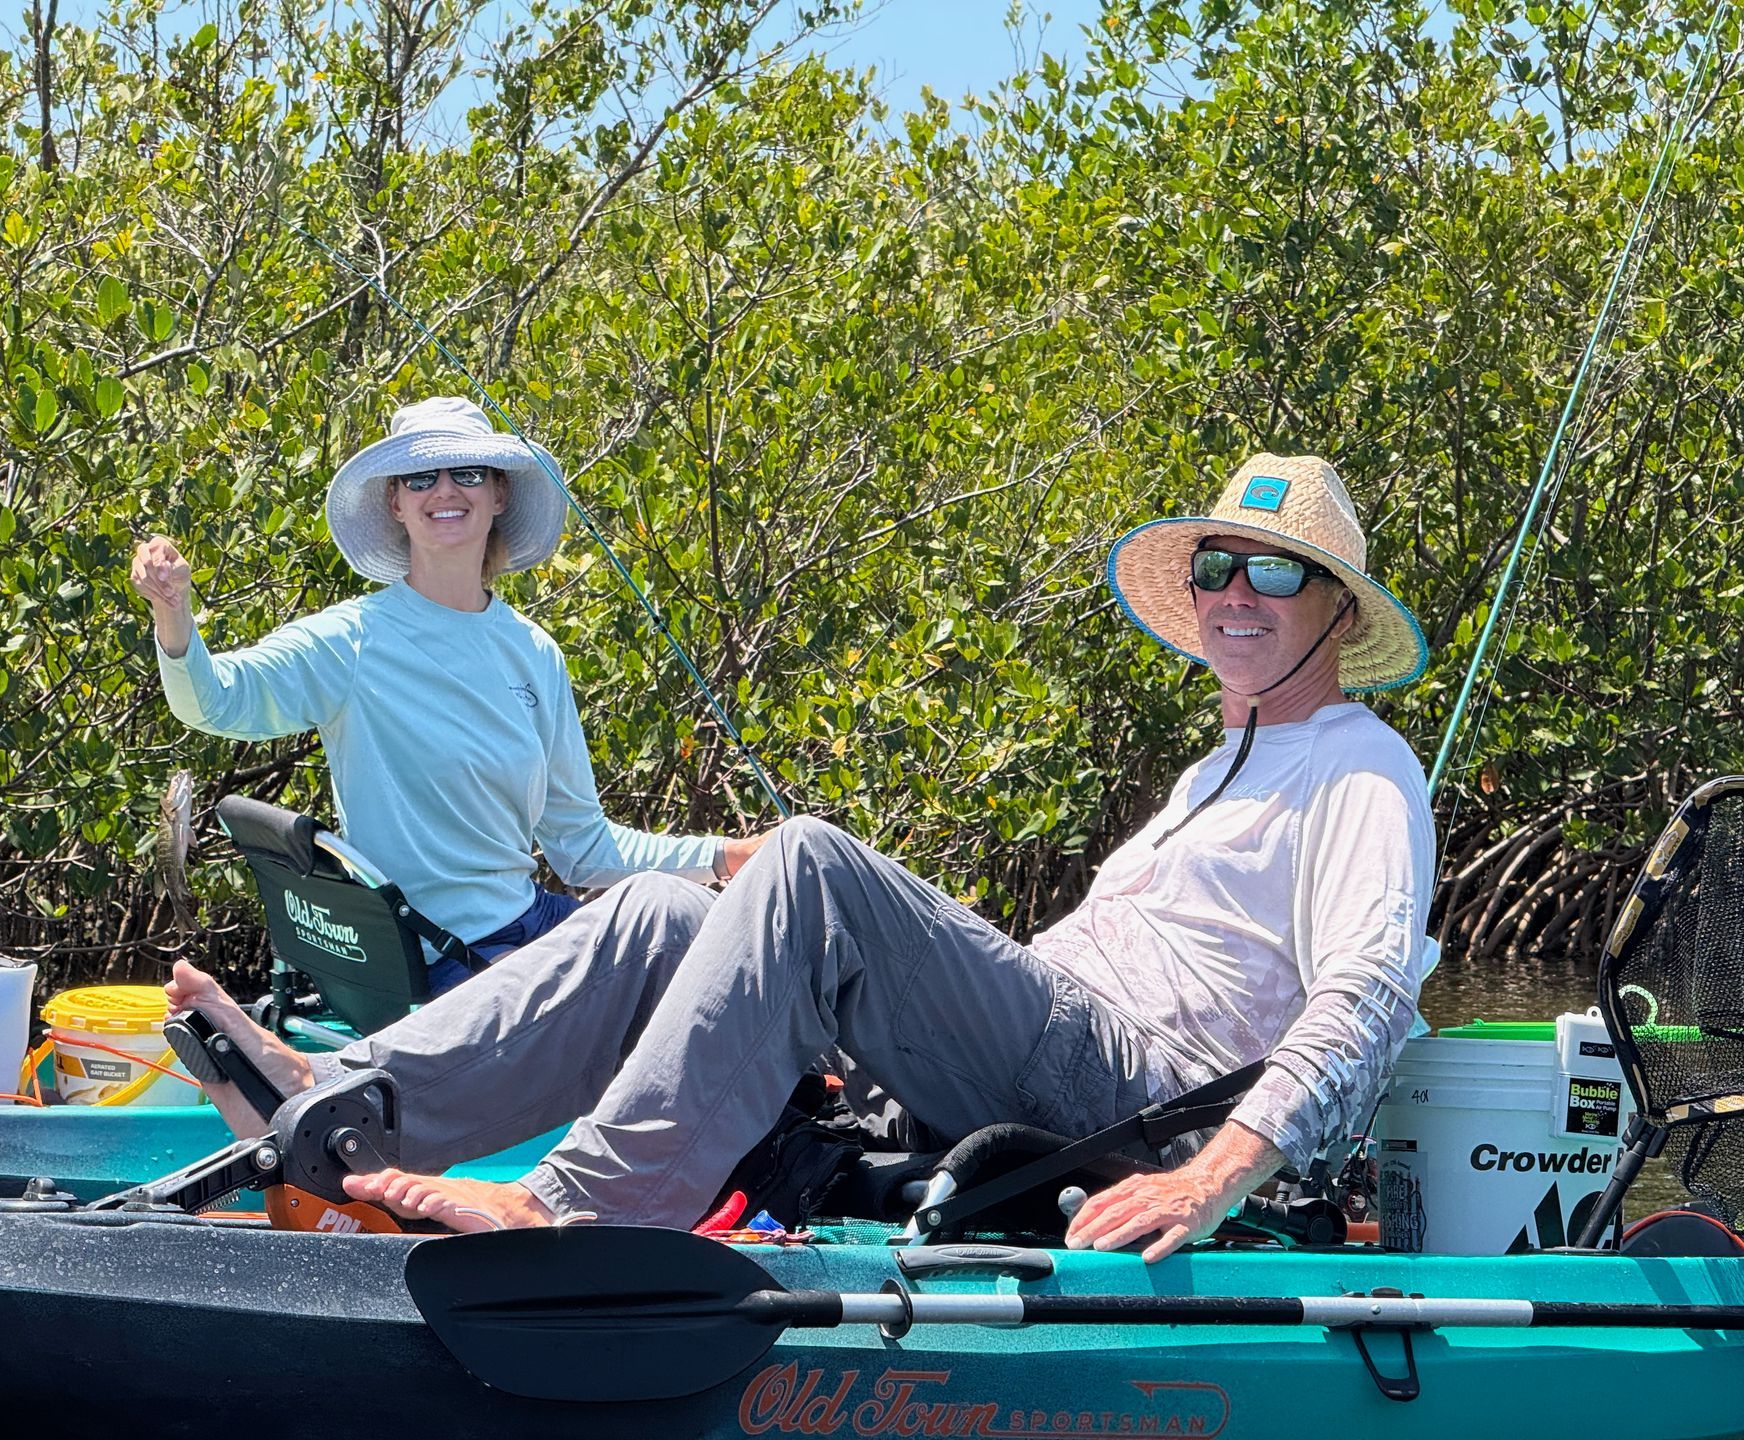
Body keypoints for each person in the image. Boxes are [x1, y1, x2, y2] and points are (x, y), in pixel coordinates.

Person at [170, 452, 1435, 1263]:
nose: (1235, 593)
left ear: (1336, 607)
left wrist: (1214, 1181)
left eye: (1276, 571)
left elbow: (1370, 996)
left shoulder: (1361, 767)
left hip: (1149, 1104)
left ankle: (577, 1203)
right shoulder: (1206, 772)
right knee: (664, 912)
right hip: (1044, 1057)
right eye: (1219, 566)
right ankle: (341, 1100)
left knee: (814, 866)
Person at [132, 397, 763, 1017]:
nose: (444, 491)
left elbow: (584, 850)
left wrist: (727, 855)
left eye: (467, 473)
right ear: (396, 502)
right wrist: (173, 612)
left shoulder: (536, 653)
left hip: (528, 927)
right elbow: (213, 702)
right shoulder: (348, 641)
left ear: (498, 494)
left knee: (721, 961)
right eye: (420, 477)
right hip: (444, 960)